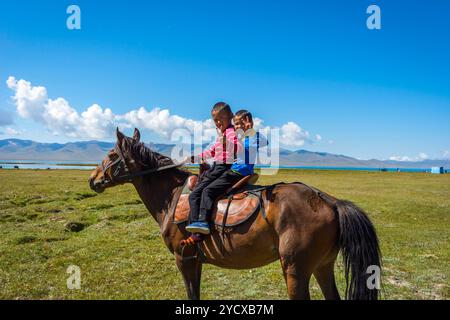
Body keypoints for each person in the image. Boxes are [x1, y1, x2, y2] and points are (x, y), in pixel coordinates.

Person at [184, 102, 242, 235]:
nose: (217, 123)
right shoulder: (222, 135)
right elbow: (211, 152)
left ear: (229, 117)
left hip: (222, 167)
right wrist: (196, 158)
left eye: (220, 119)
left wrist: (227, 142)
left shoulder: (231, 133)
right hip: (217, 166)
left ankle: (199, 225)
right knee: (198, 189)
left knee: (195, 194)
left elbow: (239, 147)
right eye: (215, 120)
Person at [230, 109, 268, 177]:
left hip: (240, 171)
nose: (238, 126)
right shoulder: (237, 138)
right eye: (236, 124)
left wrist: (250, 131)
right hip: (233, 168)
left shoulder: (253, 136)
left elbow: (265, 142)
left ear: (250, 122)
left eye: (242, 123)